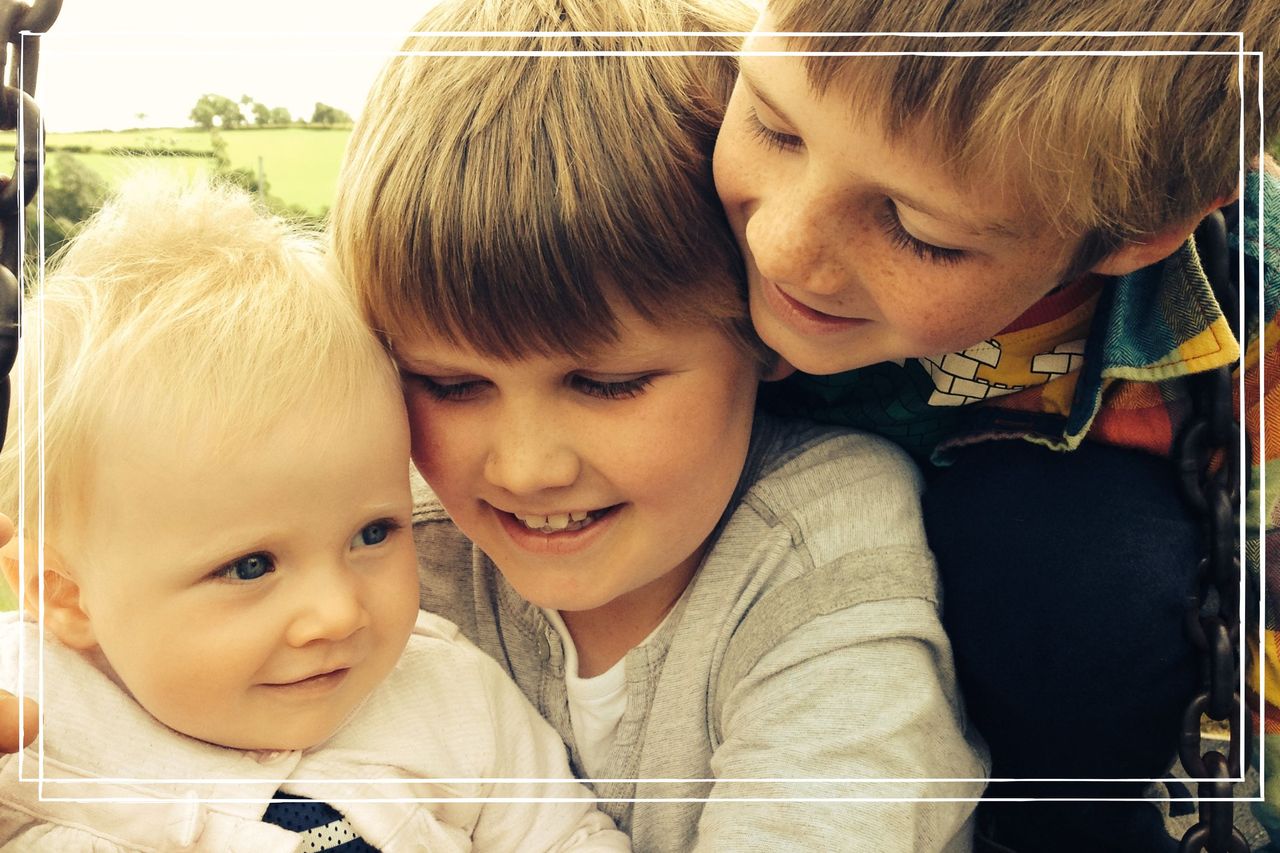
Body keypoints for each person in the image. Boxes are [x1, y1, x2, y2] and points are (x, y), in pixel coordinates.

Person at [329, 0, 989, 850]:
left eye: (608, 384)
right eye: (451, 384)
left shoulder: (818, 540)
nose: (526, 468)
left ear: (768, 327)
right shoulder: (387, 548)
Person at [709, 1, 1279, 851]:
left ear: (1142, 233)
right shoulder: (652, 137)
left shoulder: (1255, 303)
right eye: (773, 126)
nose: (783, 247)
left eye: (919, 230)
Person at [0, 174, 629, 852]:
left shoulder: (450, 696)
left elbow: (568, 838)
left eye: (372, 532)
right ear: (63, 593)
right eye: (250, 565)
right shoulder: (31, 721)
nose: (338, 612)